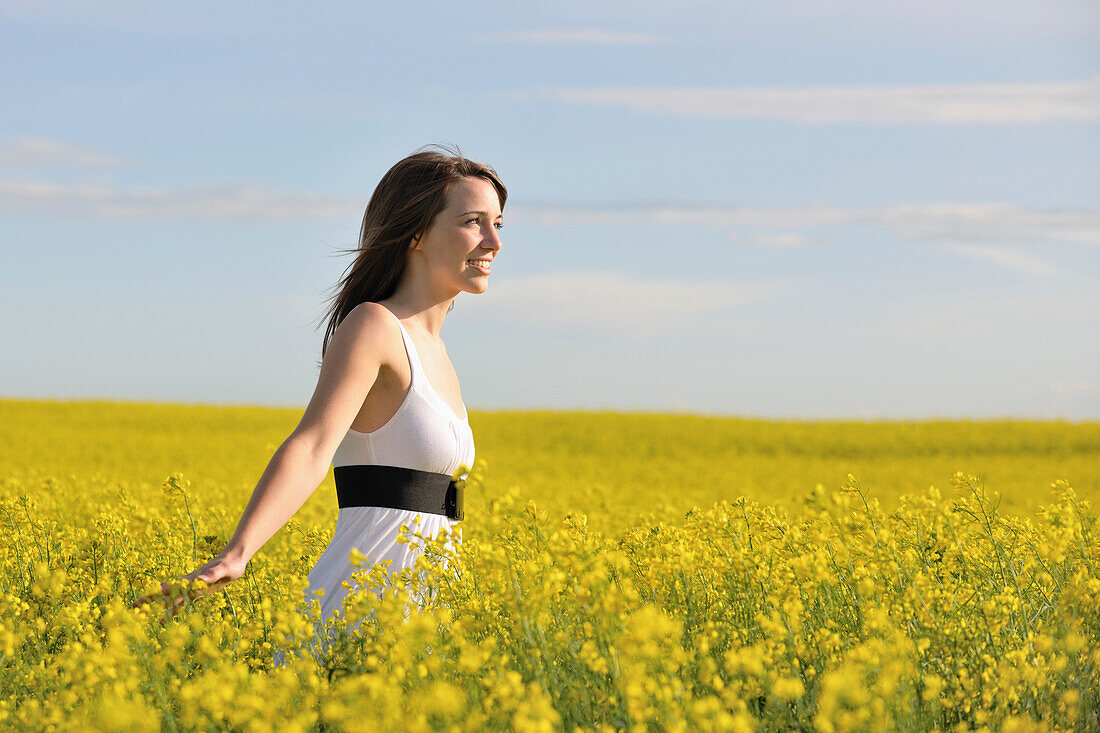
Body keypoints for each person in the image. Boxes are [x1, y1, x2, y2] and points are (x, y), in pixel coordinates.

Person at [132, 144, 506, 636]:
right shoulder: (375, 326)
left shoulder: (437, 351)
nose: (492, 241)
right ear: (415, 234)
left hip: (430, 604)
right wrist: (237, 555)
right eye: (473, 221)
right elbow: (312, 445)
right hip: (367, 600)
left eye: (498, 224)